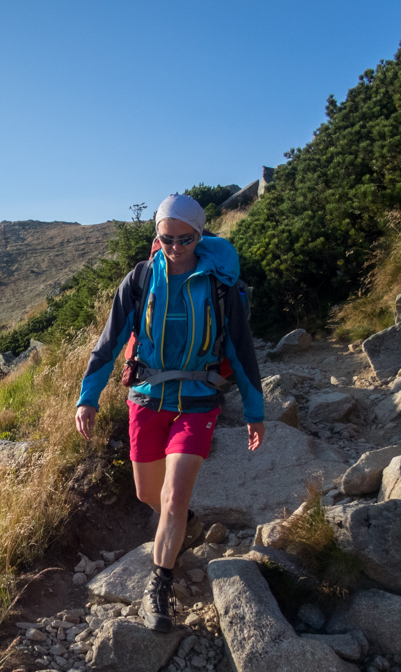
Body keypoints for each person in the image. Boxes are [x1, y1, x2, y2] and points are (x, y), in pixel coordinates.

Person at [75, 193, 265, 633]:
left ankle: (159, 586)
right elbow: (109, 342)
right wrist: (88, 395)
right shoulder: (141, 279)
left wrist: (255, 410)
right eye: (167, 238)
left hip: (198, 401)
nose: (176, 247)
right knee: (148, 495)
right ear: (156, 236)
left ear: (200, 235)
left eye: (186, 239)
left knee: (174, 497)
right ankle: (190, 528)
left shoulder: (218, 284)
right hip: (146, 398)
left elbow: (241, 351)